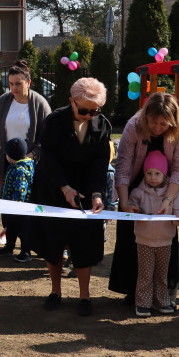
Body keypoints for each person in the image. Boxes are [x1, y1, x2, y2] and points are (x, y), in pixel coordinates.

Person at [29, 78, 112, 315]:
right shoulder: (54, 122)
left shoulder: (102, 125)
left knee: (84, 243)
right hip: (54, 188)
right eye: (83, 110)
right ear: (71, 102)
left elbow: (100, 163)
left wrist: (96, 193)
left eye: (94, 111)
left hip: (86, 189)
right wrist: (64, 188)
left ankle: (84, 296)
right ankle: (56, 291)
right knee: (54, 241)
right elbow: (49, 159)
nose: (88, 115)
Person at [109, 92, 179, 305]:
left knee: (165, 238)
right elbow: (124, 165)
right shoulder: (133, 125)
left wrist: (168, 200)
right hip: (136, 183)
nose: (157, 128)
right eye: (153, 122)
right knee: (130, 238)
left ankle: (165, 293)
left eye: (163, 124)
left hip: (167, 185)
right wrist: (125, 202)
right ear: (145, 117)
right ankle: (132, 291)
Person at [0, 60, 52, 246]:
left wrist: (32, 156)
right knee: (6, 197)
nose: (14, 88)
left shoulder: (40, 104)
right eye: (11, 84)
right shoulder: (3, 102)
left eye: (18, 84)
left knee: (28, 199)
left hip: (30, 163)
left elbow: (47, 137)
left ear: (28, 82)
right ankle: (8, 232)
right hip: (5, 159)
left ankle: (30, 240)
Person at [128, 151, 179, 317]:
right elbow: (131, 212)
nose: (153, 177)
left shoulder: (174, 194)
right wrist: (136, 213)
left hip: (165, 242)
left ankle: (162, 302)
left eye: (157, 173)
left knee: (162, 275)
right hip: (144, 241)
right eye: (149, 173)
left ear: (164, 174)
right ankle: (143, 303)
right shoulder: (137, 193)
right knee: (145, 274)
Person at [0, 138, 35, 263]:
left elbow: (20, 190)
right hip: (10, 207)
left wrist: (15, 205)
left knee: (23, 230)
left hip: (19, 208)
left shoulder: (20, 170)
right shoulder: (15, 167)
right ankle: (9, 247)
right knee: (10, 227)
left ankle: (26, 252)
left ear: (10, 156)